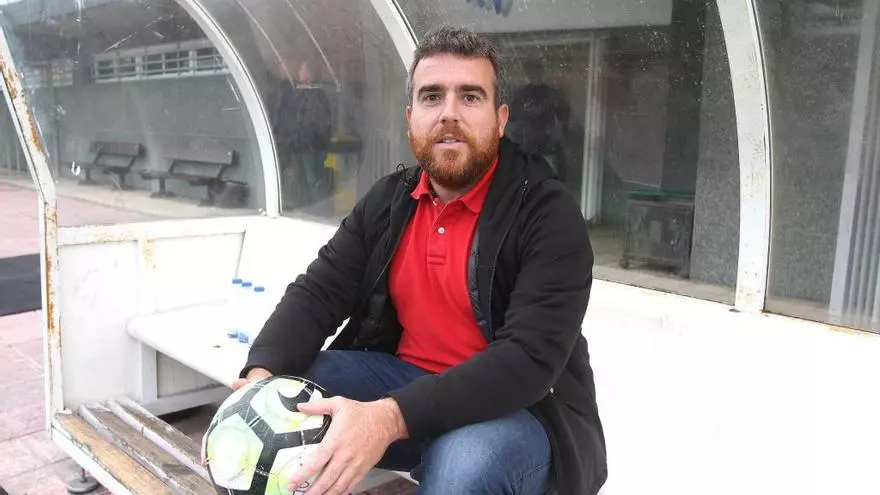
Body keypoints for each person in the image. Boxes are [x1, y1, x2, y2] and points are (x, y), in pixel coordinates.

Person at [237, 26, 606, 495]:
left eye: (470, 97)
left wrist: (388, 418)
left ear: (500, 120)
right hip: (409, 383)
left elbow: (529, 360)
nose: (449, 113)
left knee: (465, 467)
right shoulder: (390, 201)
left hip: (521, 412)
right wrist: (260, 377)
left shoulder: (547, 213)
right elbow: (320, 291)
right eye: (432, 97)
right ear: (411, 118)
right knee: (289, 391)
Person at [272, 58, 333, 208]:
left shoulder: (316, 95)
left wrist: (295, 139)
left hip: (311, 147)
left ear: (309, 74)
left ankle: (320, 211)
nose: (299, 72)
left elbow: (313, 125)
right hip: (298, 146)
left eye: (302, 69)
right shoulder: (299, 92)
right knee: (301, 180)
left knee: (314, 182)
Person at [507, 58, 571, 181]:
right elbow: (513, 118)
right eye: (530, 71)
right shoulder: (521, 94)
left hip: (548, 146)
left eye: (536, 70)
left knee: (549, 179)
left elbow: (563, 117)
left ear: (541, 71)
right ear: (526, 73)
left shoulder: (551, 93)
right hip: (528, 146)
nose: (533, 74)